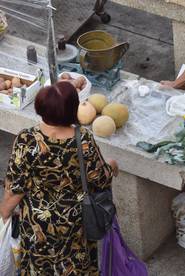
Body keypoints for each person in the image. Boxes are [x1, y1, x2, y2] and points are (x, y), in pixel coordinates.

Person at [0, 81, 118, 275]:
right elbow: (100, 180)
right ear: (73, 109)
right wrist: (112, 166)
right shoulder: (83, 140)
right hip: (75, 224)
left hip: (38, 226)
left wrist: (4, 214)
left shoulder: (26, 140)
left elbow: (14, 190)